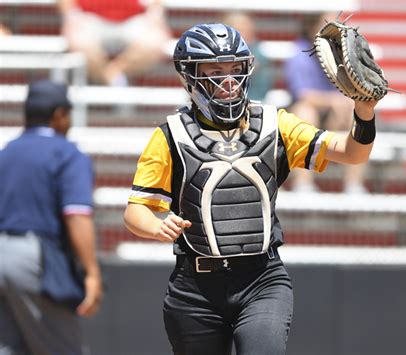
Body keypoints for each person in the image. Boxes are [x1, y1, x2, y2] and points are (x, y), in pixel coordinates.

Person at [124, 23, 378, 355]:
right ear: (189, 76)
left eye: (235, 68)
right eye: (215, 70)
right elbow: (135, 211)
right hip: (195, 288)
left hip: (262, 279)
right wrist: (156, 225)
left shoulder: (275, 123)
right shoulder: (171, 136)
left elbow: (352, 153)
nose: (228, 80)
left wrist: (365, 110)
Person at [0, 79, 102, 354]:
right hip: (32, 258)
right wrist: (91, 273)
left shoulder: (6, 152)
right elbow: (77, 215)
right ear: (59, 114)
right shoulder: (66, 153)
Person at [284, 13, 368, 194]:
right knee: (304, 114)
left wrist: (345, 103)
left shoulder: (347, 55)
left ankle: (354, 184)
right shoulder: (300, 54)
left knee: (358, 114)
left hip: (338, 114)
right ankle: (303, 183)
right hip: (309, 112)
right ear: (312, 29)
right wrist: (333, 101)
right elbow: (303, 95)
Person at [58, 0, 171, 86]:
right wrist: (71, 14)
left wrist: (155, 13)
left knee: (154, 42)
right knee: (79, 43)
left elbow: (156, 8)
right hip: (89, 17)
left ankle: (113, 77)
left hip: (134, 17)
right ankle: (117, 82)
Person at [222, 11, 274, 102]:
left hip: (257, 99)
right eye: (239, 29)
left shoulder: (258, 51)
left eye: (246, 28)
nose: (244, 32)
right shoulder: (221, 53)